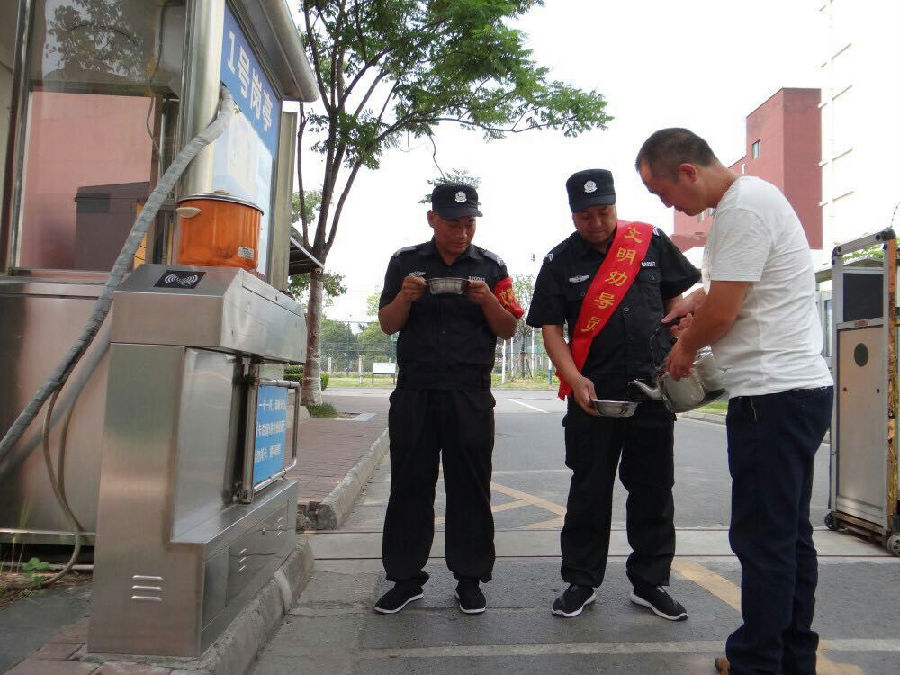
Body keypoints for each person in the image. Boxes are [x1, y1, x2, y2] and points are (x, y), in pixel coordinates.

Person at [635, 128, 834, 675]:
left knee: (763, 539)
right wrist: (697, 298)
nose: (670, 205)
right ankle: (789, 656)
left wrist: (683, 349)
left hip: (772, 396)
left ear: (688, 172)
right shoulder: (751, 200)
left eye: (664, 192)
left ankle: (758, 662)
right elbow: (734, 288)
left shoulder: (741, 209)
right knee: (788, 537)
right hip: (794, 391)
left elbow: (724, 313)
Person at [526, 168, 700, 619]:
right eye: (586, 216)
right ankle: (581, 581)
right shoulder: (560, 260)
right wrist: (573, 377)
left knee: (653, 490)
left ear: (615, 206)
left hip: (651, 390)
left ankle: (650, 582)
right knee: (589, 490)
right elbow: (550, 328)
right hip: (593, 395)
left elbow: (676, 299)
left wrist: (680, 336)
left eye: (604, 212)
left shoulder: (649, 241)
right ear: (573, 215)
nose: (597, 223)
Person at [374, 182, 524, 615]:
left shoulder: (491, 267)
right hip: (415, 392)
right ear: (432, 219)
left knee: (470, 487)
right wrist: (405, 297)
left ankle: (469, 579)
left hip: (469, 393)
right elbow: (387, 324)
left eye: (469, 224)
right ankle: (405, 579)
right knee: (409, 485)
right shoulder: (405, 262)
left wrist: (488, 300)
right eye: (453, 224)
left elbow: (509, 328)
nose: (462, 233)